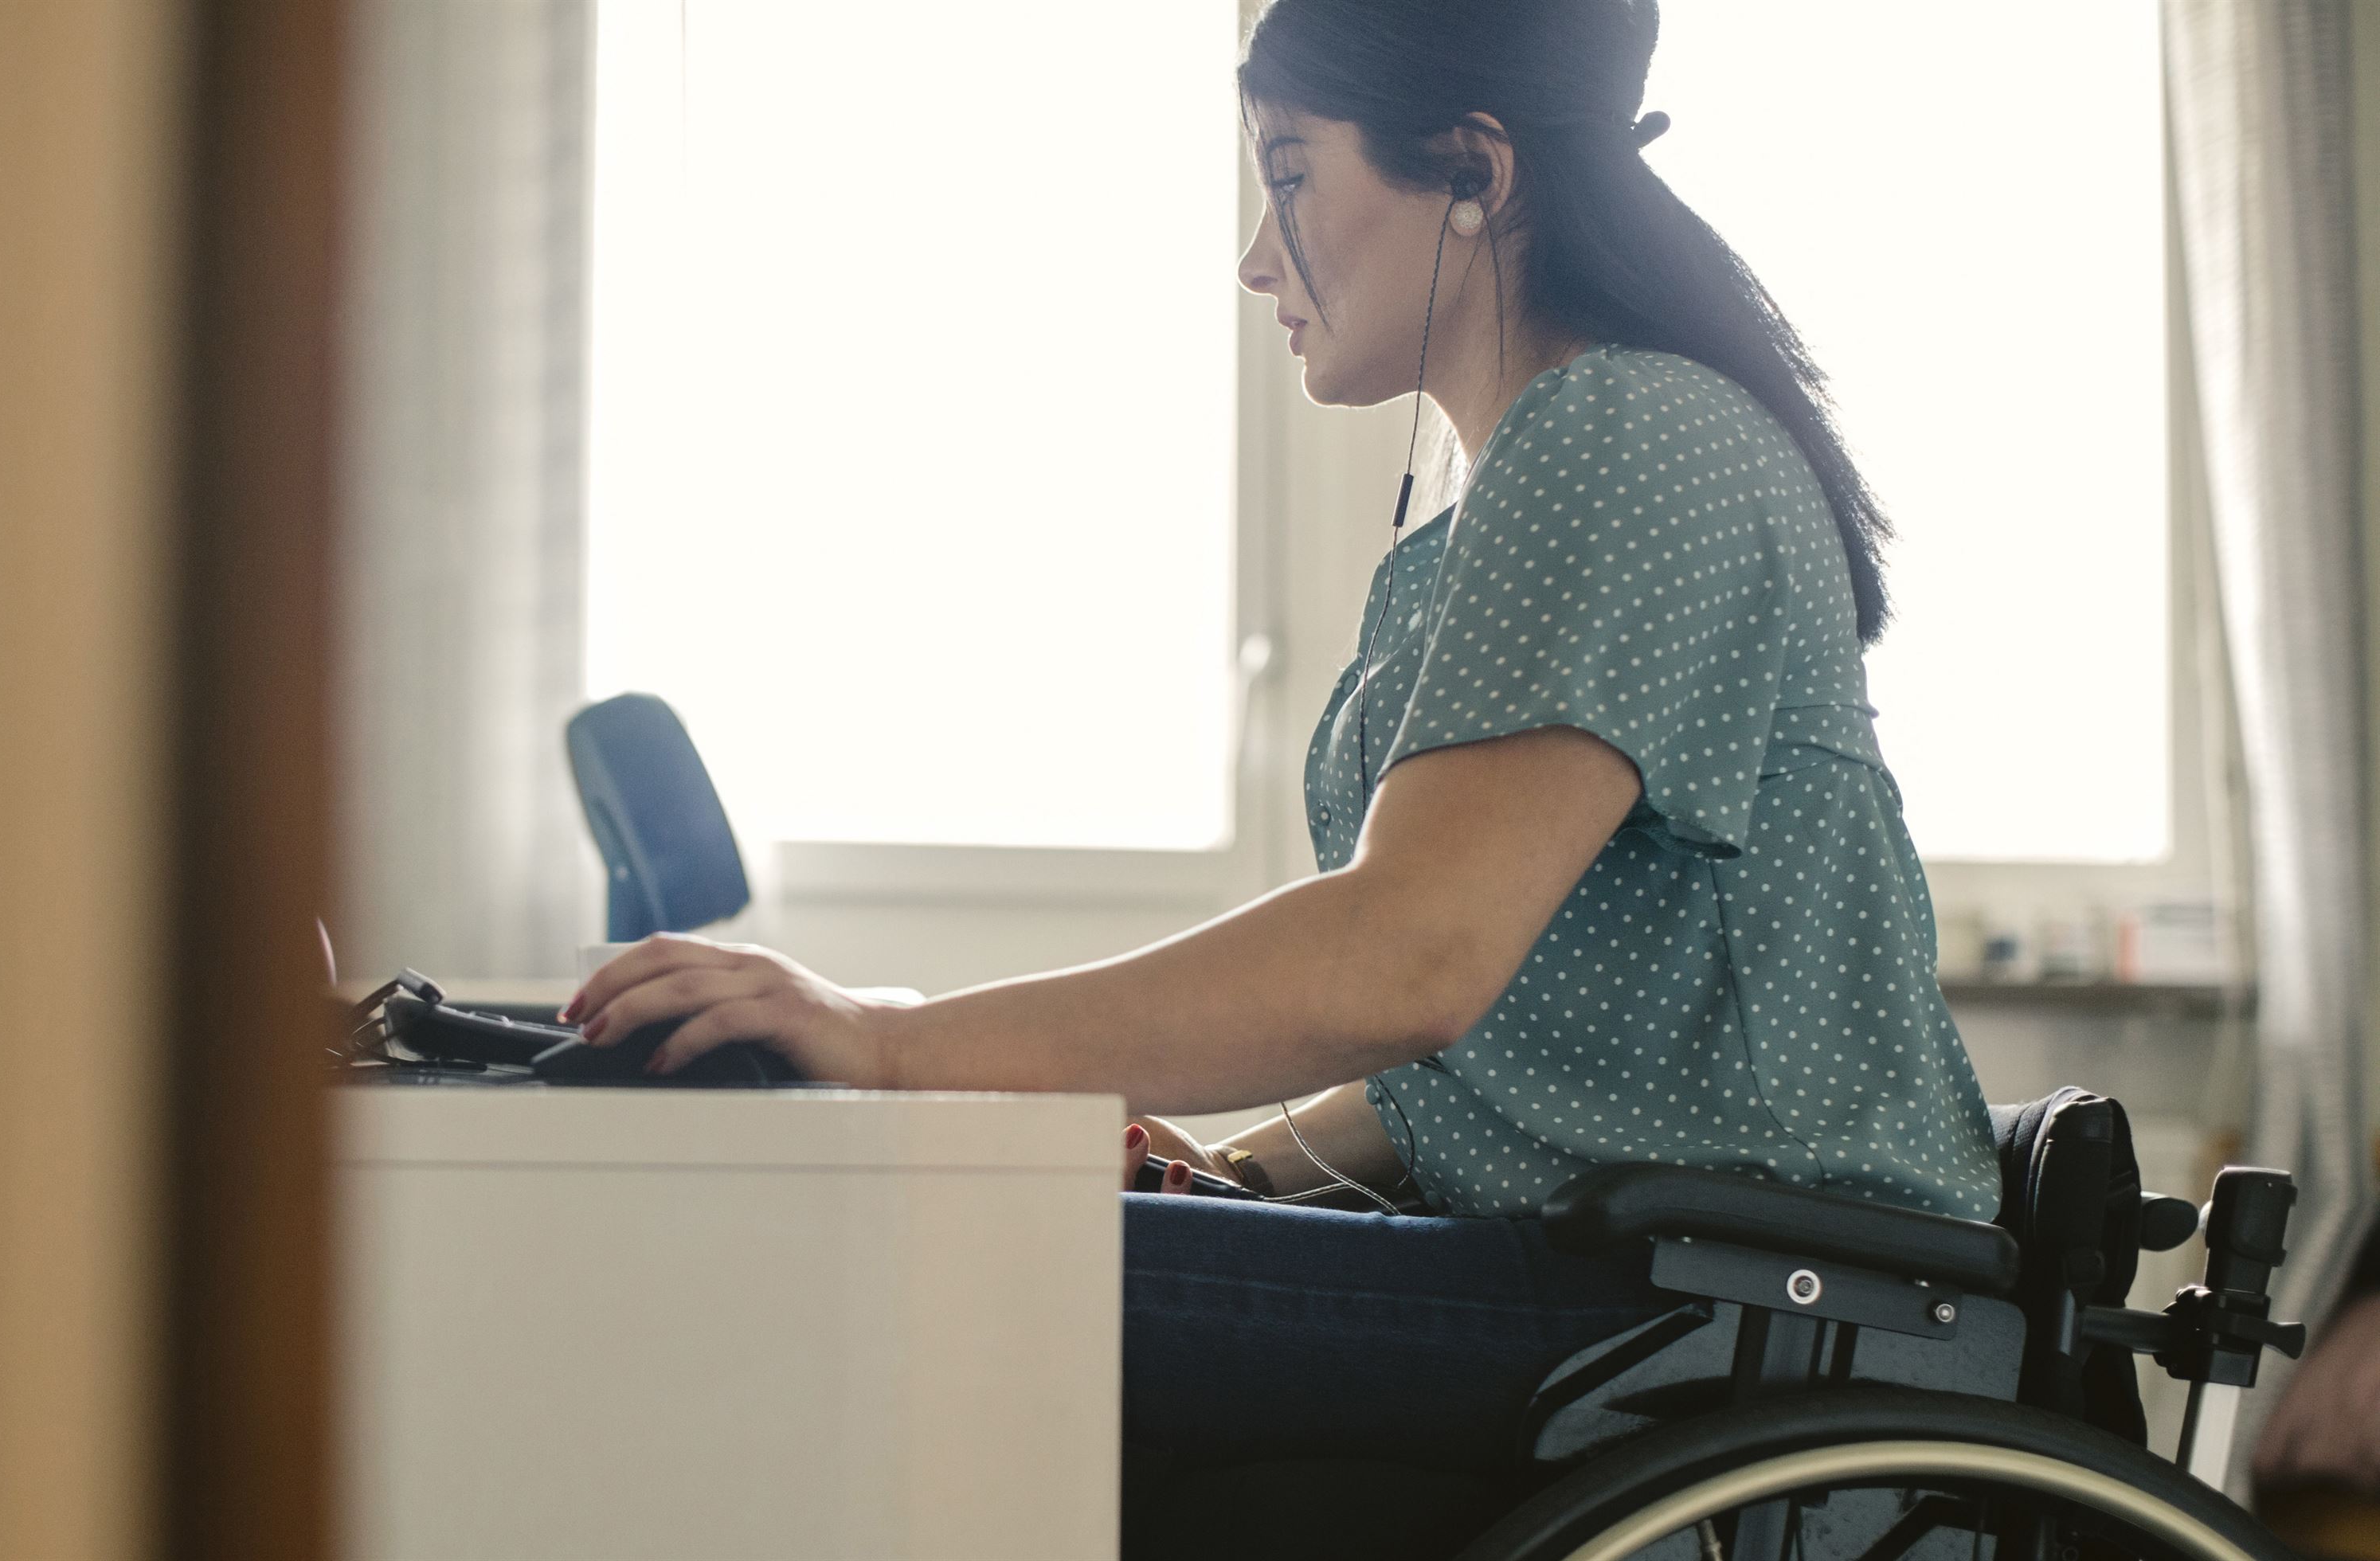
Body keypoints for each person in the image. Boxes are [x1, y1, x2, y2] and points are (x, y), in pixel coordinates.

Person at [560, 0, 2002, 1531]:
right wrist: (1226, 1169)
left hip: (1734, 1310)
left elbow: (1409, 960)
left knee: (929, 1275)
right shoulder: (1562, 465)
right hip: (1656, 1267)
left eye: (1292, 172)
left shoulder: (1627, 432)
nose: (1258, 253)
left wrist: (899, 1043)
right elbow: (1502, 1059)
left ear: (1474, 170)